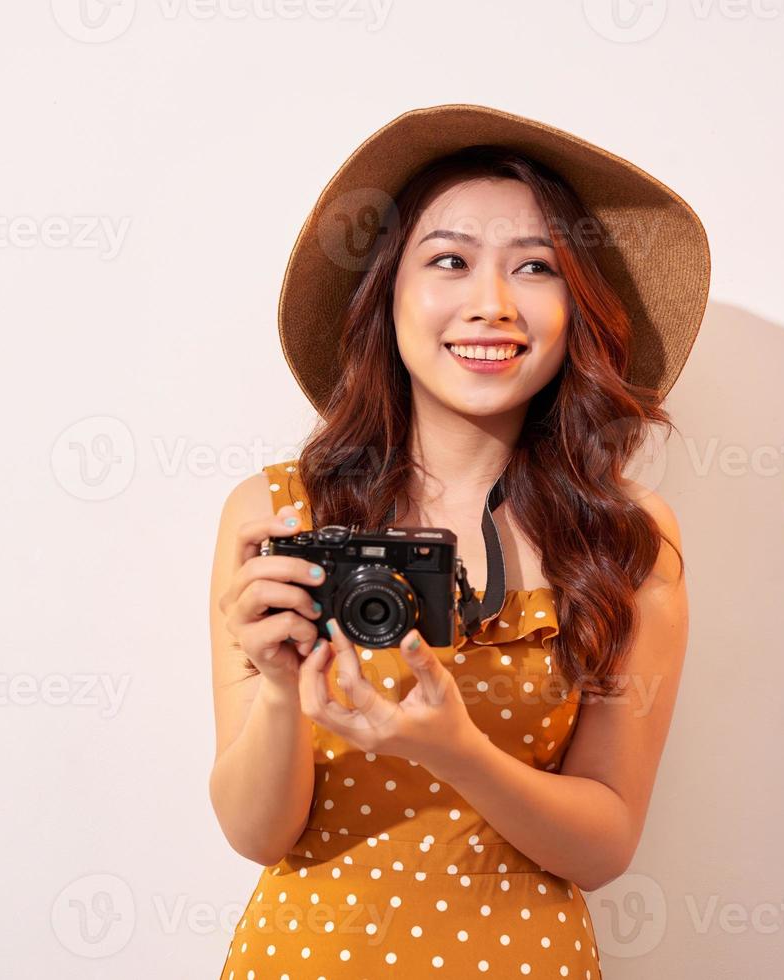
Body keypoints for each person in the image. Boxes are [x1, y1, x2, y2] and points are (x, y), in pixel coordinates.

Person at [208, 103, 711, 978]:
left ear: (576, 310)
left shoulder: (622, 537)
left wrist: (458, 753)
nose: (490, 304)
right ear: (385, 296)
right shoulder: (282, 514)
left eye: (534, 269)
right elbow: (255, 834)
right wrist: (283, 693)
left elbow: (602, 846)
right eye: (448, 261)